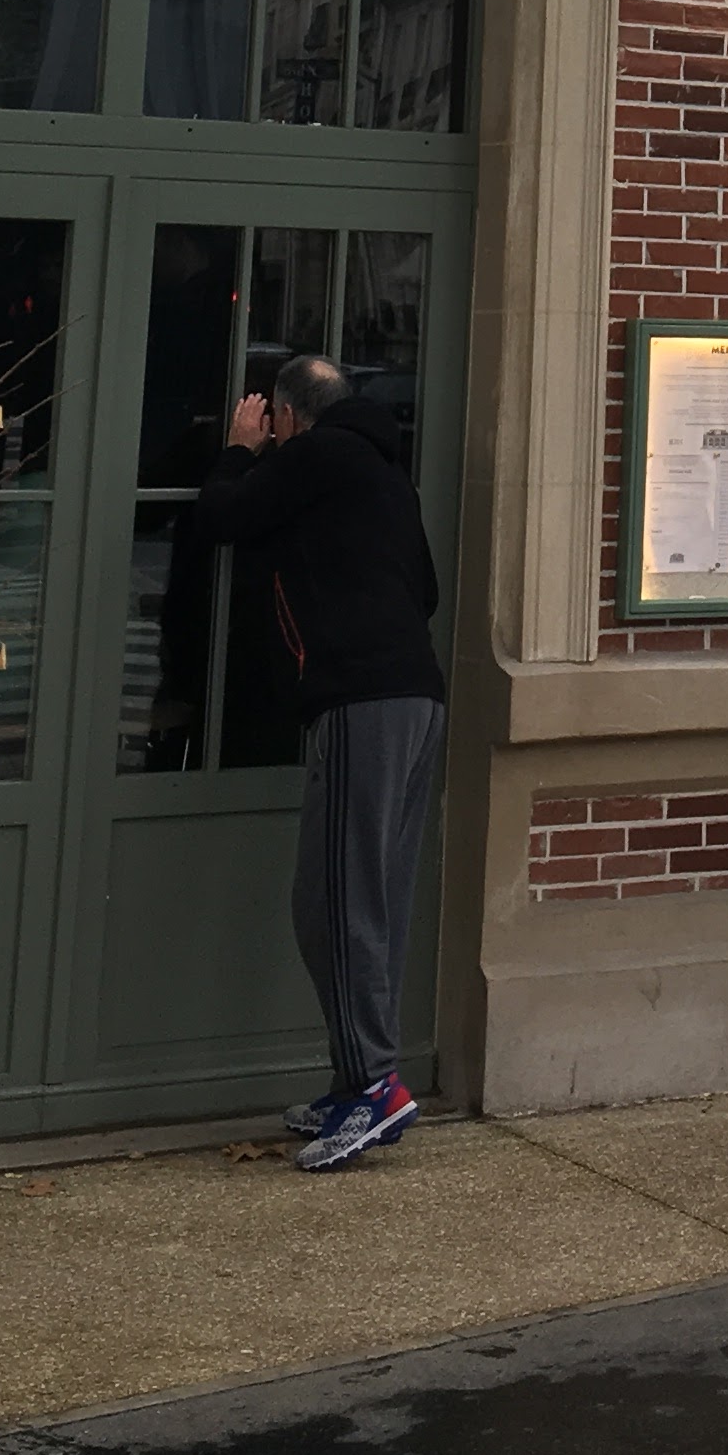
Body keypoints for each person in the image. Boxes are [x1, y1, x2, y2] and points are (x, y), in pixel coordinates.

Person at [191, 351, 446, 1170]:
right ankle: (356, 1081)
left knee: (335, 900)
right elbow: (428, 590)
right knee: (370, 895)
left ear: (287, 416)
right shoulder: (384, 470)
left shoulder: (316, 456)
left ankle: (373, 1085)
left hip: (360, 699)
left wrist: (239, 450)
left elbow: (222, 515)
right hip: (414, 695)